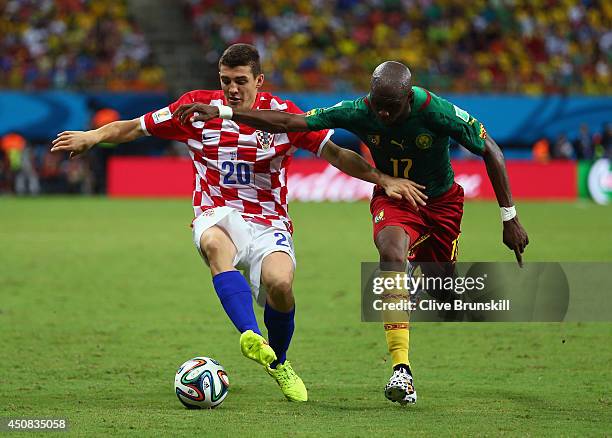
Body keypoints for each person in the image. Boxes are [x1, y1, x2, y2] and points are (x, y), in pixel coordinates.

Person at [51, 46, 426, 403]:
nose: (231, 88)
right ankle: (249, 333)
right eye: (225, 79)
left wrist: (382, 179)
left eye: (240, 80)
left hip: (270, 220)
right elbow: (136, 127)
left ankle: (277, 361)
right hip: (218, 210)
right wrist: (93, 136)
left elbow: (336, 153)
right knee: (216, 245)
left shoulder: (282, 114)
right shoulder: (194, 108)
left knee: (280, 285)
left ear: (258, 81)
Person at [174, 60, 529, 406]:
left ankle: (417, 289)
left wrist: (509, 217)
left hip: (441, 202)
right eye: (378, 107)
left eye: (391, 109)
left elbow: (492, 151)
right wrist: (225, 113)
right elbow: (290, 122)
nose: (383, 116)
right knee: (391, 253)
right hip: (393, 196)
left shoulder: (437, 112)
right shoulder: (360, 111)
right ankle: (401, 369)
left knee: (440, 289)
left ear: (408, 99)